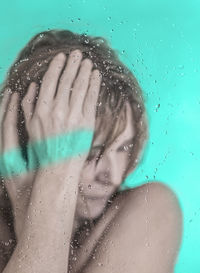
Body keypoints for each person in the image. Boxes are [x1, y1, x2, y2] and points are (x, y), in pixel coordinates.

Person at [0, 29, 182, 273]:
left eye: (123, 148)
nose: (113, 176)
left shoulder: (151, 211)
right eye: (88, 153)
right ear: (27, 146)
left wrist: (29, 214)